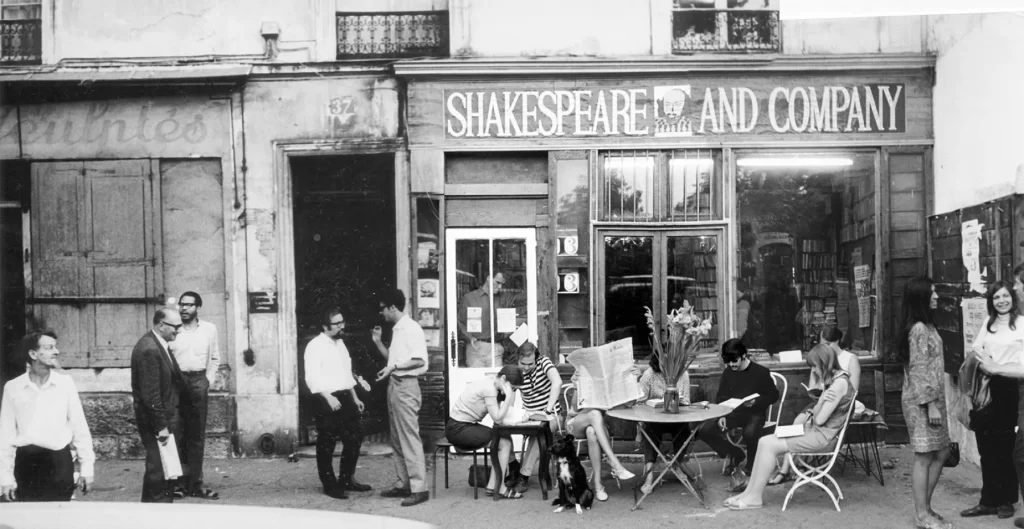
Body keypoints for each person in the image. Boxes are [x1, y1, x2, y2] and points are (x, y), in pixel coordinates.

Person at [723, 344, 854, 510]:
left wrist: (820, 401)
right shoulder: (835, 380)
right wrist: (819, 404)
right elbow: (813, 414)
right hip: (816, 432)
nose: (813, 371)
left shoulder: (839, 384)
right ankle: (749, 493)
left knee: (770, 445)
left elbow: (819, 419)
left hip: (823, 438)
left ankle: (755, 497)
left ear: (824, 364)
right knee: (764, 441)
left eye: (815, 366)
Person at [0, 331, 95, 502]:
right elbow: (5, 435)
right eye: (49, 348)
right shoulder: (13, 388)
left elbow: (79, 427)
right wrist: (5, 478)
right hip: (26, 464)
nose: (56, 351)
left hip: (59, 463)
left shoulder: (65, 384)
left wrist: (87, 468)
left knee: (59, 521)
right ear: (33, 354)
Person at [962, 280, 1021, 520]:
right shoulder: (988, 324)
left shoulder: (1022, 326)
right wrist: (985, 361)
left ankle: (1007, 500)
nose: (1002, 301)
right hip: (984, 388)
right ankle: (988, 501)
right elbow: (976, 351)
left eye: (1006, 296)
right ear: (991, 301)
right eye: (997, 297)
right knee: (986, 448)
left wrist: (997, 366)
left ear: (1012, 299)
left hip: (1010, 389)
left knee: (1006, 448)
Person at [898, 276, 951, 529]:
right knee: (924, 455)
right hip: (922, 401)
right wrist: (930, 404)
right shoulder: (918, 328)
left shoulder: (927, 326)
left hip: (934, 399)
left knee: (941, 451)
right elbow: (918, 369)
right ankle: (921, 516)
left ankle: (926, 508)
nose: (936, 297)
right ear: (920, 297)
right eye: (931, 293)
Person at [303, 307, 368, 500]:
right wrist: (328, 397)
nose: (342, 326)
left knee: (355, 437)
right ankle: (329, 484)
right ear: (325, 326)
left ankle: (347, 479)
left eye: (342, 322)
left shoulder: (340, 344)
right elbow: (312, 377)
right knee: (327, 442)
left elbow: (346, 373)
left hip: (345, 396)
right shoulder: (315, 346)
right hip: (325, 398)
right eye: (337, 323)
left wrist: (355, 397)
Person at [373, 288, 429, 507]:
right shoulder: (397, 329)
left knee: (409, 437)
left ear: (392, 307)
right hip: (395, 385)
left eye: (382, 309)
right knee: (396, 438)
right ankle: (404, 483)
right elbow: (394, 360)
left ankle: (419, 488)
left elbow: (419, 360)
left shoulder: (411, 328)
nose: (381, 313)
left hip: (406, 387)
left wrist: (394, 367)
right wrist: (378, 342)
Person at [696, 338, 779, 475]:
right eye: (727, 362)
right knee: (705, 430)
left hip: (755, 413)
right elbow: (721, 396)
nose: (731, 365)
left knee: (750, 433)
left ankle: (752, 465)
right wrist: (721, 415)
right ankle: (735, 453)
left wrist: (756, 402)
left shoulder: (761, 372)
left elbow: (774, 395)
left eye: (734, 361)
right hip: (733, 413)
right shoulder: (728, 372)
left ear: (744, 355)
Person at [169, 291, 220, 500]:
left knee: (196, 435)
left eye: (189, 305)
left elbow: (215, 357)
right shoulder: (173, 329)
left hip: (198, 382)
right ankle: (179, 484)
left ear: (197, 307)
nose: (184, 308)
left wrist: (208, 379)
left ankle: (196, 484)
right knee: (177, 434)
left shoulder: (209, 329)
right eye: (181, 304)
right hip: (176, 383)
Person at [445, 365, 525, 498]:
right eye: (513, 388)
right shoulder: (489, 389)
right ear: (503, 379)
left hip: (465, 425)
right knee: (504, 443)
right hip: (458, 429)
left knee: (504, 436)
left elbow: (501, 416)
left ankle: (494, 484)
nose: (513, 391)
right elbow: (498, 418)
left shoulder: (493, 384)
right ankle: (499, 487)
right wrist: (509, 395)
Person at [131, 308, 185, 503]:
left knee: (163, 468)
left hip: (163, 418)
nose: (179, 330)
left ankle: (157, 509)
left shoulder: (159, 343)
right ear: (161, 325)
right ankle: (156, 512)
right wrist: (161, 427)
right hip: (156, 421)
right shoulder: (149, 349)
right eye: (176, 326)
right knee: (159, 469)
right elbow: (150, 394)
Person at [565, 373, 636, 501]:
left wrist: (632, 380)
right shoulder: (582, 373)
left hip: (600, 427)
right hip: (577, 422)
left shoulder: (610, 377)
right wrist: (576, 386)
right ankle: (614, 462)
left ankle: (598, 486)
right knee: (594, 414)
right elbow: (575, 408)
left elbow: (629, 404)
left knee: (592, 432)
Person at [509, 341, 562, 495]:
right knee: (501, 430)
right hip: (528, 416)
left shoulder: (544, 362)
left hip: (552, 416)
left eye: (530, 364)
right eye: (522, 363)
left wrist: (548, 409)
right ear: (518, 359)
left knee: (539, 433)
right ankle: (513, 465)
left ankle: (523, 476)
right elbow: (511, 393)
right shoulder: (516, 370)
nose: (526, 367)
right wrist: (510, 413)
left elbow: (557, 382)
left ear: (536, 359)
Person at [637, 353, 692, 495]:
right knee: (649, 431)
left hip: (677, 418)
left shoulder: (683, 374)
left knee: (685, 429)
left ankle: (677, 463)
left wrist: (678, 401)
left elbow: (687, 401)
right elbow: (639, 401)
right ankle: (649, 475)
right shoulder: (649, 374)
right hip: (655, 419)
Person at [458, 273, 507, 368]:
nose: (500, 286)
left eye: (502, 284)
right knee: (476, 381)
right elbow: (460, 321)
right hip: (476, 348)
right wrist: (469, 337)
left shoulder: (502, 299)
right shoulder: (470, 298)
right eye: (497, 282)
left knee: (495, 381)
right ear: (488, 278)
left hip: (495, 347)